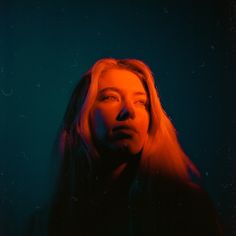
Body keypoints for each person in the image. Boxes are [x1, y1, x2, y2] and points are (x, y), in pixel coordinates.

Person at [47, 58, 223, 236]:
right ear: (82, 113)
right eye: (110, 97)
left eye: (141, 102)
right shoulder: (48, 220)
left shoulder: (188, 204)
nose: (129, 111)